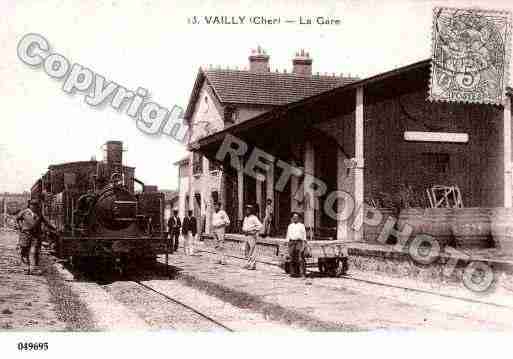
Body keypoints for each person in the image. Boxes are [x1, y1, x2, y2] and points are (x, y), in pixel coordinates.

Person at [16, 199, 56, 275]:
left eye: (36, 205)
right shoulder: (24, 212)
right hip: (25, 234)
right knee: (24, 251)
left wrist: (54, 228)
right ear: (30, 205)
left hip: (35, 236)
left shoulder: (39, 214)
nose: (34, 206)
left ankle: (32, 268)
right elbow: (18, 219)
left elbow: (46, 222)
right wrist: (21, 227)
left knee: (33, 251)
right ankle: (27, 267)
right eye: (33, 205)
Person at [286, 212, 307, 278]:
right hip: (291, 242)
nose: (295, 218)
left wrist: (304, 244)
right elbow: (288, 235)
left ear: (299, 218)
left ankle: (302, 273)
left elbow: (304, 236)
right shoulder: (290, 226)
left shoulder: (301, 225)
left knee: (300, 258)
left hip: (299, 242)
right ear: (292, 218)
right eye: (294, 217)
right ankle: (293, 273)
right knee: (292, 258)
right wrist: (287, 244)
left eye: (296, 217)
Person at [242, 204, 263, 270]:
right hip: (246, 235)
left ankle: (253, 265)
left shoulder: (254, 217)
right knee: (247, 251)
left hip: (252, 235)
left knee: (253, 250)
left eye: (248, 210)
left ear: (251, 211)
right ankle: (248, 264)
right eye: (246, 209)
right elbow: (244, 226)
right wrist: (244, 230)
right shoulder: (245, 218)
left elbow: (260, 226)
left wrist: (254, 231)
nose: (247, 211)